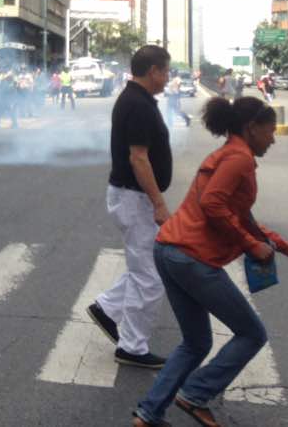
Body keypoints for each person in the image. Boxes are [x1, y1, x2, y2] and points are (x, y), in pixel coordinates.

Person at [132, 97, 288, 427]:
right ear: (252, 128)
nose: (273, 138)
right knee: (252, 334)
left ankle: (149, 413)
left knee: (196, 342)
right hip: (191, 258)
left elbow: (244, 218)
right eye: (269, 131)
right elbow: (213, 204)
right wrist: (252, 246)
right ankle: (195, 394)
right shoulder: (239, 158)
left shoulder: (229, 154)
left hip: (169, 249)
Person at [87, 45, 173, 369]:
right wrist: (159, 204)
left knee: (144, 267)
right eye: (165, 72)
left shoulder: (138, 100)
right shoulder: (137, 104)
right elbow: (138, 158)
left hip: (131, 197)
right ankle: (132, 347)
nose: (167, 78)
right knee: (150, 277)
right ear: (153, 71)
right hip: (134, 198)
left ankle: (107, 308)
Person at [0, 65, 19, 129]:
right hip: (2, 96)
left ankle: (15, 124)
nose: (2, 69)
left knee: (10, 110)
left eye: (4, 68)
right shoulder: (2, 75)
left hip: (8, 96)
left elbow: (14, 85)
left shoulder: (10, 75)